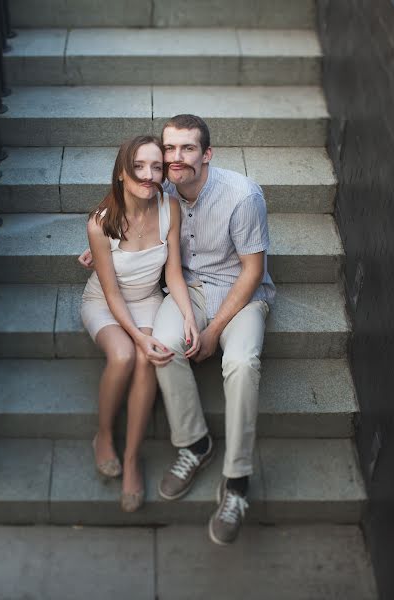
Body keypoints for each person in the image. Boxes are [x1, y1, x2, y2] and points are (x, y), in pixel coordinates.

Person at [79, 115, 275, 544]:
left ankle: (237, 480)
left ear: (207, 154)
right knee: (163, 345)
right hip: (187, 290)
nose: (174, 159)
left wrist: (211, 331)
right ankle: (195, 443)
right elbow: (122, 197)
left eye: (187, 149)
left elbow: (253, 272)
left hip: (239, 295)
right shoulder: (162, 184)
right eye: (170, 149)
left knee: (241, 362)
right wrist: (98, 248)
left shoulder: (242, 196)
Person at [81, 135, 200, 513]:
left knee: (152, 357)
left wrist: (188, 317)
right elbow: (113, 296)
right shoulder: (100, 225)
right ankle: (103, 436)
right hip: (104, 302)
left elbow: (175, 274)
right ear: (121, 173)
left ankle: (131, 459)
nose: (149, 175)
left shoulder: (169, 208)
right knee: (123, 356)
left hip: (149, 300)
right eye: (139, 167)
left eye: (156, 167)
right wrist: (135, 337)